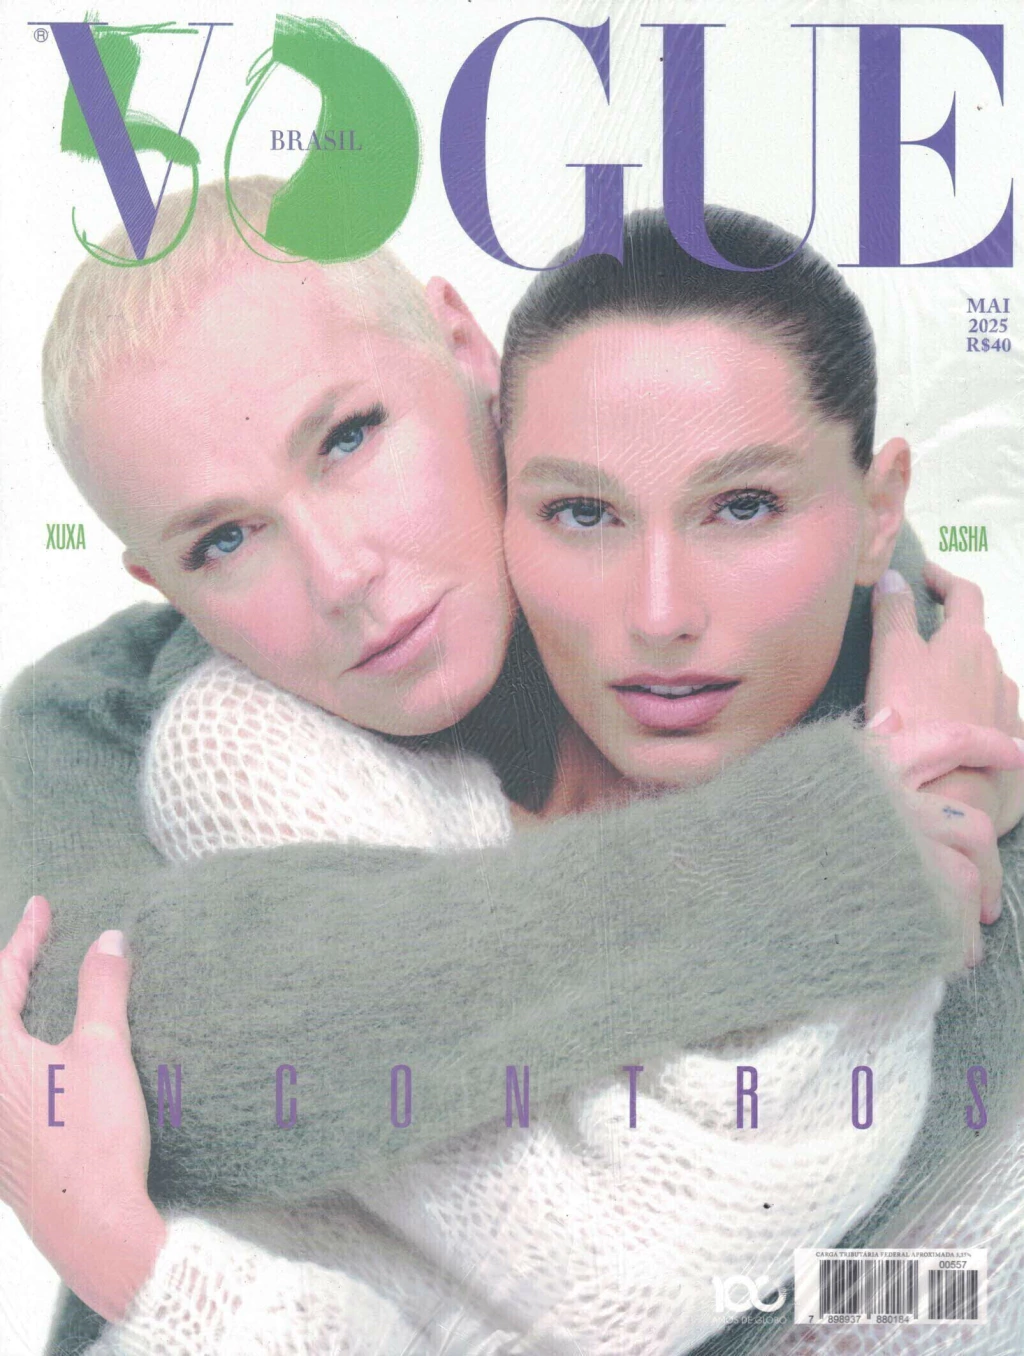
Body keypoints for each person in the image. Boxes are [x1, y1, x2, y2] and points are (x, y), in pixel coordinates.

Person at [0, 197, 1020, 1352]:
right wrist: (831, 852)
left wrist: (938, 759)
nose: (342, 575)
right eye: (221, 541)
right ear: (162, 585)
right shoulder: (152, 725)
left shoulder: (828, 630)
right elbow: (119, 1055)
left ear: (464, 350)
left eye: (348, 438)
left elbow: (930, 1251)